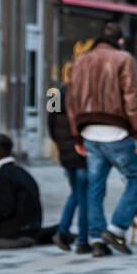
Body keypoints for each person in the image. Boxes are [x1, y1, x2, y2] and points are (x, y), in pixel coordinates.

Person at [66, 21, 137, 257]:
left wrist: (76, 135)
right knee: (136, 177)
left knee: (95, 187)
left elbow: (71, 101)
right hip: (117, 132)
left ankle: (95, 239)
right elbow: (131, 98)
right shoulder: (124, 59)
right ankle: (117, 228)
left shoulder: (80, 61)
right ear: (120, 40)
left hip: (89, 133)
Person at [47, 80, 90, 254]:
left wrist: (60, 144)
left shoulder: (53, 92)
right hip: (81, 151)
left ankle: (63, 232)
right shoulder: (83, 94)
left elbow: (49, 125)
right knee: (84, 196)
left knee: (76, 193)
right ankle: (82, 240)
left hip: (64, 152)